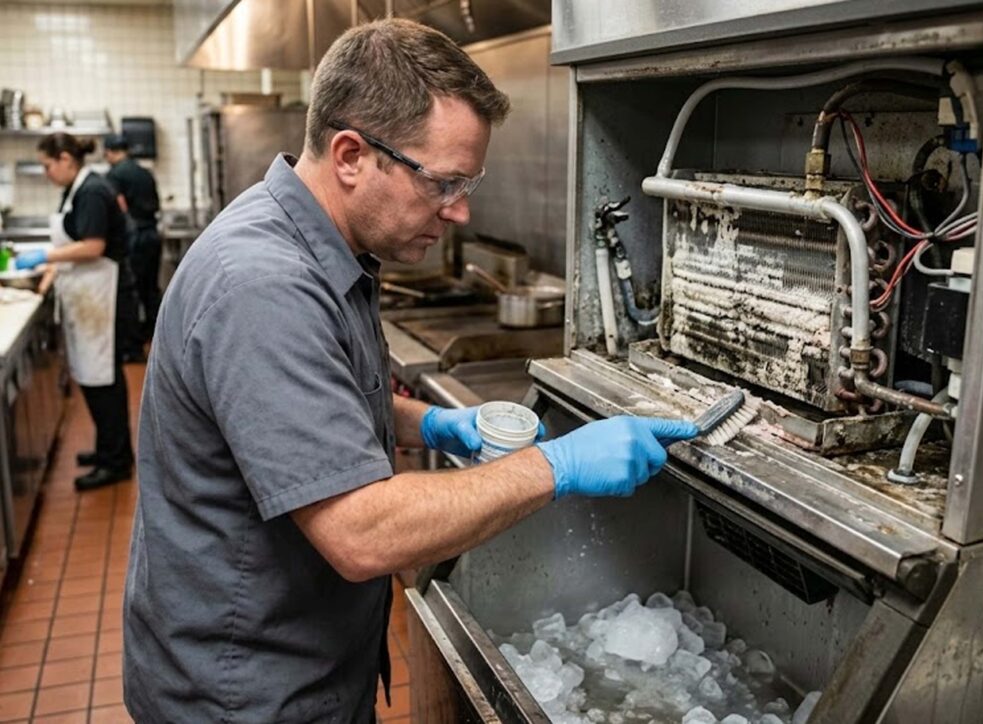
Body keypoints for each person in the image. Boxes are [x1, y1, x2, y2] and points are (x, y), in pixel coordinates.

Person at [123, 19, 699, 722]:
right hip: (243, 694)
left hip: (297, 665)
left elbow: (308, 405)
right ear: (351, 156)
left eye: (469, 182)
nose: (460, 211)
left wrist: (429, 422)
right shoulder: (263, 285)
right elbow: (361, 532)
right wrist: (557, 465)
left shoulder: (320, 243)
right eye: (443, 183)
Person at [16, 133, 134, 490]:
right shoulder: (76, 189)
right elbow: (74, 241)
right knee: (94, 378)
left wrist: (45, 256)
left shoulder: (92, 191)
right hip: (90, 295)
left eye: (47, 165)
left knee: (104, 380)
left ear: (66, 159)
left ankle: (116, 462)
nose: (46, 172)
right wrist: (49, 272)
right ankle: (108, 450)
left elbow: (93, 246)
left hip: (104, 295)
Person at [103, 132, 160, 360]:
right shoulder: (145, 172)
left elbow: (120, 206)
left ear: (110, 152)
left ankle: (134, 347)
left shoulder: (115, 174)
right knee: (151, 288)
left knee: (132, 292)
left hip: (134, 237)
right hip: (152, 234)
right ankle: (158, 339)